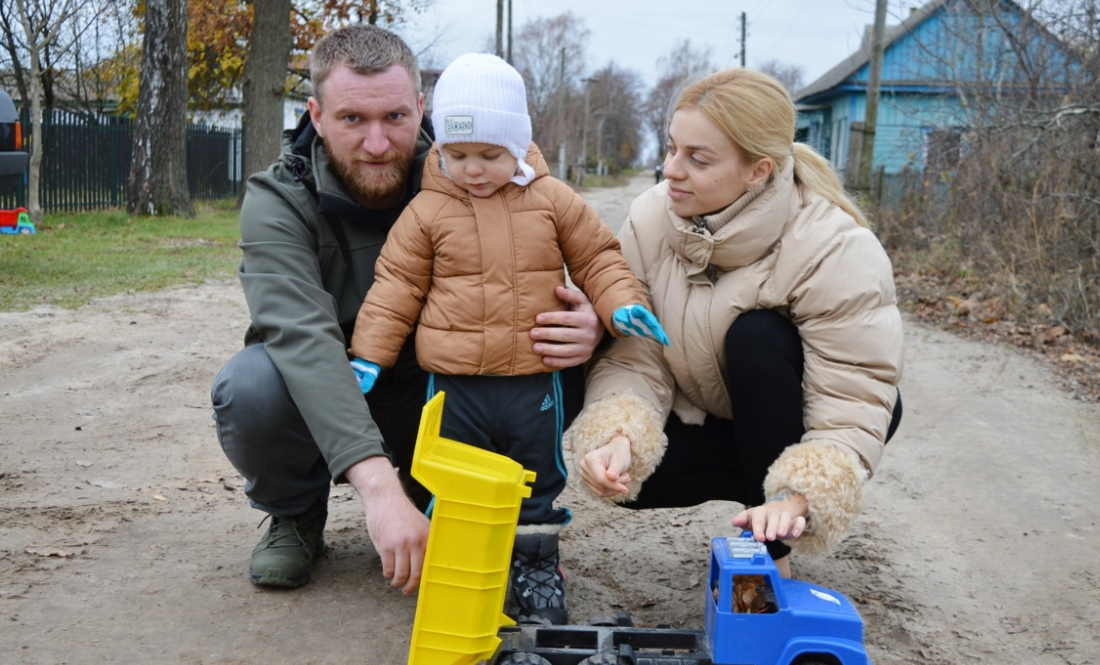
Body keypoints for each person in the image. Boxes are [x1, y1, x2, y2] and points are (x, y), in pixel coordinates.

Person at [210, 26, 606, 596]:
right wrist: (377, 491)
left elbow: (590, 258)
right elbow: (304, 340)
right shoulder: (278, 200)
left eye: (395, 117)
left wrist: (592, 319)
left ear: (422, 108)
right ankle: (297, 512)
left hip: (445, 386)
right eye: (352, 120)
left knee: (567, 347)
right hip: (340, 387)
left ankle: (481, 507)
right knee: (252, 385)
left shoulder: (482, 172)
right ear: (316, 116)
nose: (377, 143)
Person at [346, 53, 668, 625]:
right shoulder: (427, 211)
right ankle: (461, 565)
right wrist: (368, 355)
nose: (473, 169)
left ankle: (536, 565)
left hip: (532, 380)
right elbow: (395, 285)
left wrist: (622, 307)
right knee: (454, 475)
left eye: (490, 155)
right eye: (457, 154)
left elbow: (598, 256)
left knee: (536, 479)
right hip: (454, 385)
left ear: (517, 144)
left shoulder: (552, 200)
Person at [565, 68, 904, 578]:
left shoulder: (835, 245)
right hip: (715, 420)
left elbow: (852, 395)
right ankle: (755, 489)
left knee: (756, 336)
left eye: (697, 159)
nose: (671, 170)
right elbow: (637, 352)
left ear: (758, 170)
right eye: (672, 148)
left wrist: (800, 495)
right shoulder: (650, 218)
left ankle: (774, 556)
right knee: (637, 477)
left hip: (809, 417)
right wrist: (619, 437)